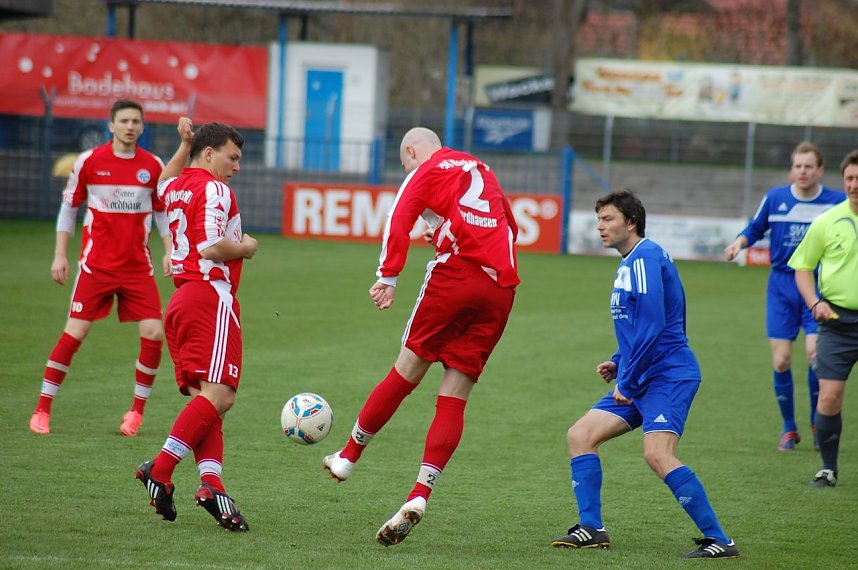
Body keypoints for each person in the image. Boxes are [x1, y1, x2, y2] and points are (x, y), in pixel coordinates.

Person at [322, 127, 519, 546]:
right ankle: (420, 494)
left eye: (404, 164)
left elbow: (400, 215)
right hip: (500, 288)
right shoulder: (482, 167)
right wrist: (447, 231)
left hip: (456, 276)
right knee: (455, 394)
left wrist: (388, 275)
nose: (407, 170)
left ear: (411, 151)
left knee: (407, 371)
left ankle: (347, 457)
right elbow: (507, 226)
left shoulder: (427, 166)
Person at [552, 189, 739, 559]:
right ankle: (592, 528)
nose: (600, 227)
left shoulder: (644, 257)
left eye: (608, 220)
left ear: (631, 222)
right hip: (642, 373)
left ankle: (719, 540)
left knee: (658, 454)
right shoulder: (632, 262)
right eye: (598, 220)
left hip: (668, 374)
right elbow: (640, 327)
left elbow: (655, 326)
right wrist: (620, 360)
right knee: (581, 435)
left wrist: (629, 378)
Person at [135, 119, 257, 532]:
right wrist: (246, 247)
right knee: (220, 397)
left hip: (183, 301)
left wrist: (183, 145)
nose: (236, 166)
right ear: (210, 154)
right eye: (232, 157)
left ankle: (211, 486)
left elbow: (162, 183)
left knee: (208, 403)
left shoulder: (178, 185)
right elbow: (211, 246)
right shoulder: (216, 188)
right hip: (210, 297)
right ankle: (162, 468)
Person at [29, 99, 171, 437]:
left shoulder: (152, 165)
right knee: (75, 332)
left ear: (142, 126)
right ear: (111, 125)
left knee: (154, 333)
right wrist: (60, 255)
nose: (130, 126)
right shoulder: (89, 162)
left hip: (138, 268)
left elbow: (162, 212)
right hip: (96, 267)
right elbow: (69, 209)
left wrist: (169, 250)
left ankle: (136, 413)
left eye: (136, 121)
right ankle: (42, 409)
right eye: (124, 120)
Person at [724, 141, 844, 451]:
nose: (802, 172)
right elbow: (756, 227)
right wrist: (739, 243)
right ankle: (789, 428)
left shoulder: (836, 203)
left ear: (820, 170)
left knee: (815, 356)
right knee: (781, 360)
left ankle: (818, 421)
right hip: (780, 287)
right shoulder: (776, 198)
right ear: (791, 170)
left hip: (818, 287)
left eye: (808, 166)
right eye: (797, 166)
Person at [788, 149, 858, 488]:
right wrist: (814, 302)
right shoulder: (827, 221)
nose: (854, 185)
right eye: (850, 178)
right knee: (829, 397)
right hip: (837, 322)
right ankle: (828, 468)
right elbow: (802, 268)